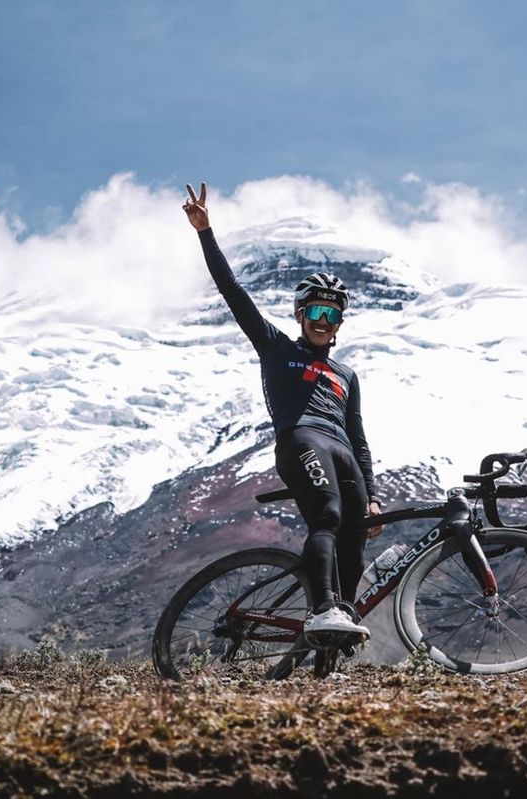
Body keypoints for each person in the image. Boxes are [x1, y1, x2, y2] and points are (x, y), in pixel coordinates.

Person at [183, 181, 382, 641]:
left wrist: (371, 495)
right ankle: (322, 611)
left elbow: (360, 439)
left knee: (354, 537)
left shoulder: (347, 375)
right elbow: (232, 292)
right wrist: (205, 232)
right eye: (315, 311)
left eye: (332, 316)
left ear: (340, 324)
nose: (322, 321)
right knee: (328, 517)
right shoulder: (275, 348)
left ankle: (341, 623)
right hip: (302, 440)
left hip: (344, 452)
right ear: (299, 314)